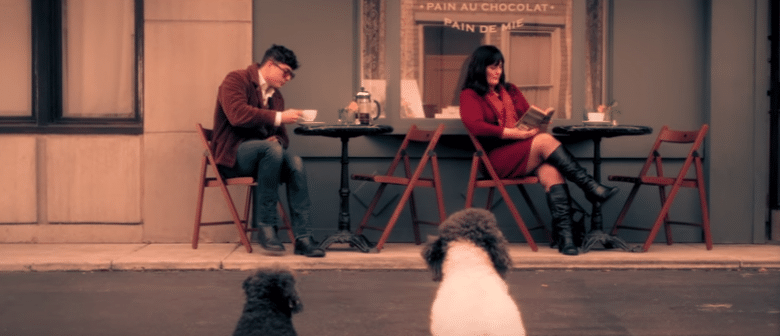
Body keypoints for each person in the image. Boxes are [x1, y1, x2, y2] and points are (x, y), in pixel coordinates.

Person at [459, 45, 618, 256]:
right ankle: (590, 188)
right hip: (494, 159)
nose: (498, 71)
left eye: (500, 66)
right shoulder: (470, 94)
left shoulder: (511, 90)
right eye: (492, 66)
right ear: (480, 68)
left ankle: (566, 239)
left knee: (551, 170)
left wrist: (542, 119)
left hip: (522, 151)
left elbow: (527, 116)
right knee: (543, 141)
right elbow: (475, 125)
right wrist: (513, 133)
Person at [211, 44, 325, 257]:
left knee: (296, 162)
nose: (288, 78)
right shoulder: (236, 79)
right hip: (233, 157)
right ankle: (267, 228)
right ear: (270, 65)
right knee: (270, 151)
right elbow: (237, 114)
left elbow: (282, 137)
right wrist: (279, 117)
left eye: (291, 74)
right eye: (286, 72)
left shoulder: (276, 97)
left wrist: (276, 140)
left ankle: (303, 238)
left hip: (266, 161)